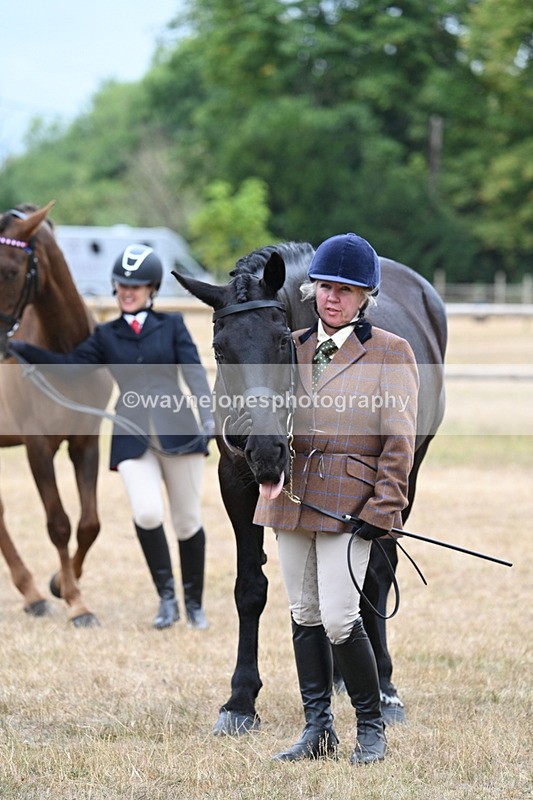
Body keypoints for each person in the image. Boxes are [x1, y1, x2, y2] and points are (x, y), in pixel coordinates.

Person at [253, 233, 419, 764]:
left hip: (349, 504)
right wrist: (265, 461)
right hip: (293, 499)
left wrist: (385, 508)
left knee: (341, 619)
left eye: (346, 290)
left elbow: (400, 441)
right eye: (326, 286)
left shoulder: (392, 352)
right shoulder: (291, 346)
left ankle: (370, 728)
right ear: (312, 288)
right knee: (303, 612)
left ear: (365, 296)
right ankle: (317, 728)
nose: (333, 297)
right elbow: (266, 419)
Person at [9, 244, 215, 631]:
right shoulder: (105, 335)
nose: (126, 291)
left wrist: (206, 414)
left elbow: (193, 373)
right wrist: (21, 349)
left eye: (135, 286)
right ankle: (167, 599)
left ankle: (195, 604)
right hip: (130, 436)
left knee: (187, 522)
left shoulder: (172, 326)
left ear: (151, 288)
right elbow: (70, 366)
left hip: (179, 432)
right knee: (148, 513)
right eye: (121, 285)